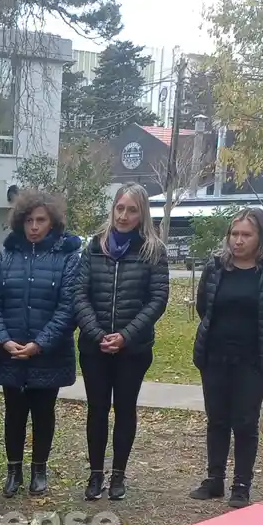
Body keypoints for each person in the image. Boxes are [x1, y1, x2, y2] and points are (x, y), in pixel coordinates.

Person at [190, 208, 263, 508]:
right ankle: (214, 480)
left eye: (246, 235)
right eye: (234, 234)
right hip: (215, 355)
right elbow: (204, 306)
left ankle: (241, 485)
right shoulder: (216, 267)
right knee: (217, 420)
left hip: (253, 358)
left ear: (260, 238)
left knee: (245, 422)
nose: (238, 241)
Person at [0, 189, 83, 497]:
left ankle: (39, 468)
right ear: (20, 222)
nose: (34, 226)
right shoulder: (5, 256)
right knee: (13, 414)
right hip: (10, 353)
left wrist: (40, 344)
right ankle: (14, 470)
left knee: (43, 413)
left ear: (52, 222)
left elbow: (68, 308)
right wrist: (3, 341)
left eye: (41, 220)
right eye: (29, 220)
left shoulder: (67, 259)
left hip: (47, 354)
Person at [73, 184, 170, 501]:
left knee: (125, 409)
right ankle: (95, 474)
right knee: (97, 410)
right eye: (119, 208)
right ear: (112, 209)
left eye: (131, 210)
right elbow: (79, 294)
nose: (124, 215)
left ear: (142, 213)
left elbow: (157, 300)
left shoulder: (153, 250)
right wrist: (97, 333)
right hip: (94, 347)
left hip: (133, 349)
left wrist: (125, 336)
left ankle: (118, 476)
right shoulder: (94, 247)